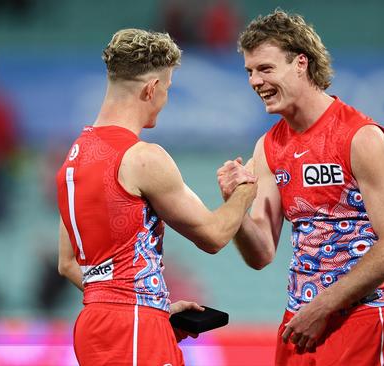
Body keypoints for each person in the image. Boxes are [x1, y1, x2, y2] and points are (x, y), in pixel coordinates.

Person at [216, 10, 384, 365]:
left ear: (300, 64)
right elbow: (261, 253)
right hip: (300, 321)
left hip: (357, 320)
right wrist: (235, 205)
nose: (254, 81)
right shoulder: (268, 147)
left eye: (265, 68)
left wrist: (321, 307)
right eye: (249, 71)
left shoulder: (360, 137)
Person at [56, 28, 257, 366]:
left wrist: (154, 305)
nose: (165, 100)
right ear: (151, 89)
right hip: (134, 327)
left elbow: (68, 264)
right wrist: (246, 190)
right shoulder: (142, 158)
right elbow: (213, 235)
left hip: (95, 324)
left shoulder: (73, 157)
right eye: (167, 89)